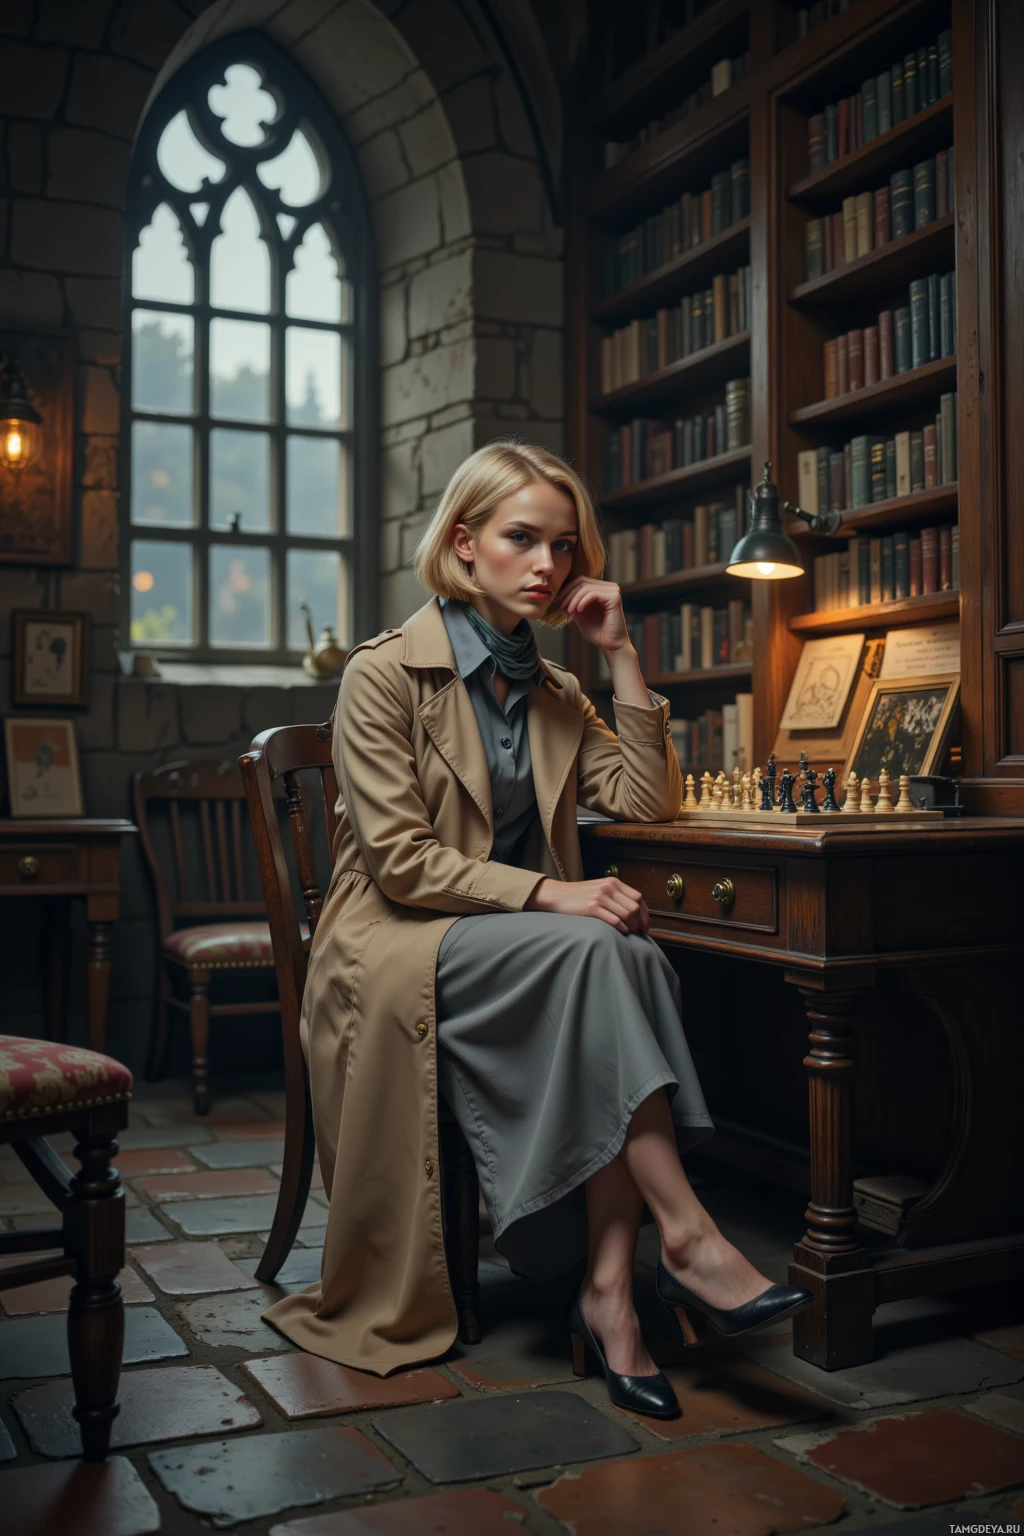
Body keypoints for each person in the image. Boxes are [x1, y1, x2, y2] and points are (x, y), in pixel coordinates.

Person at [262, 440, 811, 1416]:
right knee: (608, 945)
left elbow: (649, 797)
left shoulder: (555, 692)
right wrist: (554, 895)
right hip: (396, 940)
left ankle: (611, 1292)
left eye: (564, 546)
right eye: (522, 539)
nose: (548, 566)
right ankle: (681, 1238)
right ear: (464, 543)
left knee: (623, 954)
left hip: (529, 949)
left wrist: (620, 654)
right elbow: (399, 862)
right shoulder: (384, 675)